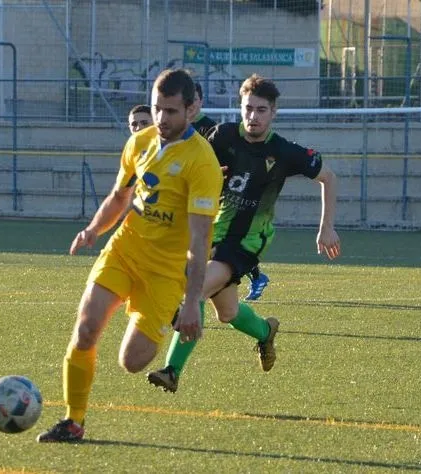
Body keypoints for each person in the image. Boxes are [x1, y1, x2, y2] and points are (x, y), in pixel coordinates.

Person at [36, 68, 223, 443]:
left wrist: (190, 304)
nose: (162, 118)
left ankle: (152, 311)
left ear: (190, 110)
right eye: (157, 109)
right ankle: (73, 421)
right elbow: (120, 197)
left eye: (171, 111)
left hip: (166, 271)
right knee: (86, 329)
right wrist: (92, 230)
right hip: (124, 249)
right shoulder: (139, 143)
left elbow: (201, 239)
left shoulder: (202, 162)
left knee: (132, 362)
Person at [147, 74, 341, 393]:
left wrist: (327, 227)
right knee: (228, 313)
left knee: (192, 292)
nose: (253, 116)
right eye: (248, 108)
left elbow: (329, 178)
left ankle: (171, 370)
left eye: (261, 110)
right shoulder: (222, 136)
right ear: (240, 107)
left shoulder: (285, 151)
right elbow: (196, 164)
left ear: (274, 112)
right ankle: (265, 332)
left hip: (247, 242)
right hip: (212, 232)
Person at [192, 80, 270, 301]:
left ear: (200, 101)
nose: (191, 105)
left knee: (198, 285)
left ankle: (255, 276)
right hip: (200, 197)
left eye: (195, 99)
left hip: (222, 199)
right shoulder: (176, 127)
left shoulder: (209, 127)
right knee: (227, 310)